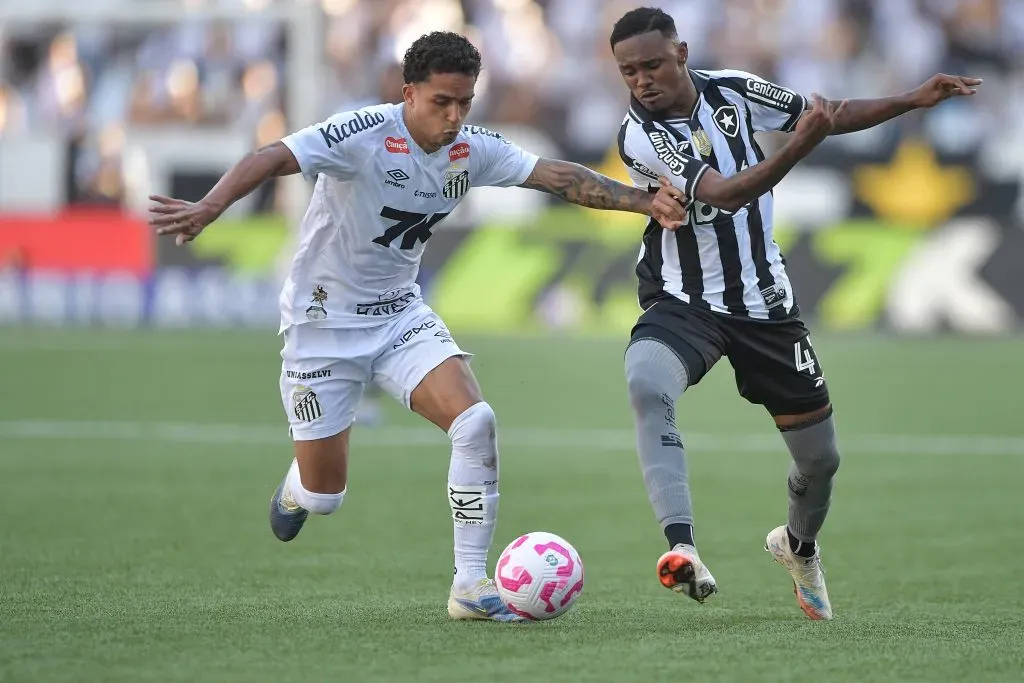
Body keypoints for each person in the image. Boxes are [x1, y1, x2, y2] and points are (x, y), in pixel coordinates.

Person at [149, 31, 689, 623]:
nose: (455, 117)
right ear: (409, 94)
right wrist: (209, 207)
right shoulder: (360, 135)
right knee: (325, 495)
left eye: (465, 103)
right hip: (321, 324)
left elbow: (556, 177)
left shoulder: (471, 147)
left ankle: (469, 585)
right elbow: (270, 157)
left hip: (400, 314)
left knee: (475, 421)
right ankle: (300, 487)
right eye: (441, 103)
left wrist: (644, 202)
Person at [608, 7, 982, 620]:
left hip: (766, 306)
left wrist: (912, 99)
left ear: (680, 52)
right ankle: (682, 548)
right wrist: (802, 146)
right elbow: (728, 196)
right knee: (646, 382)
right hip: (685, 299)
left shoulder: (730, 88)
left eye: (651, 64)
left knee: (820, 459)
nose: (641, 80)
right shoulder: (640, 136)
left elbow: (825, 115)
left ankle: (798, 547)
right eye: (628, 72)